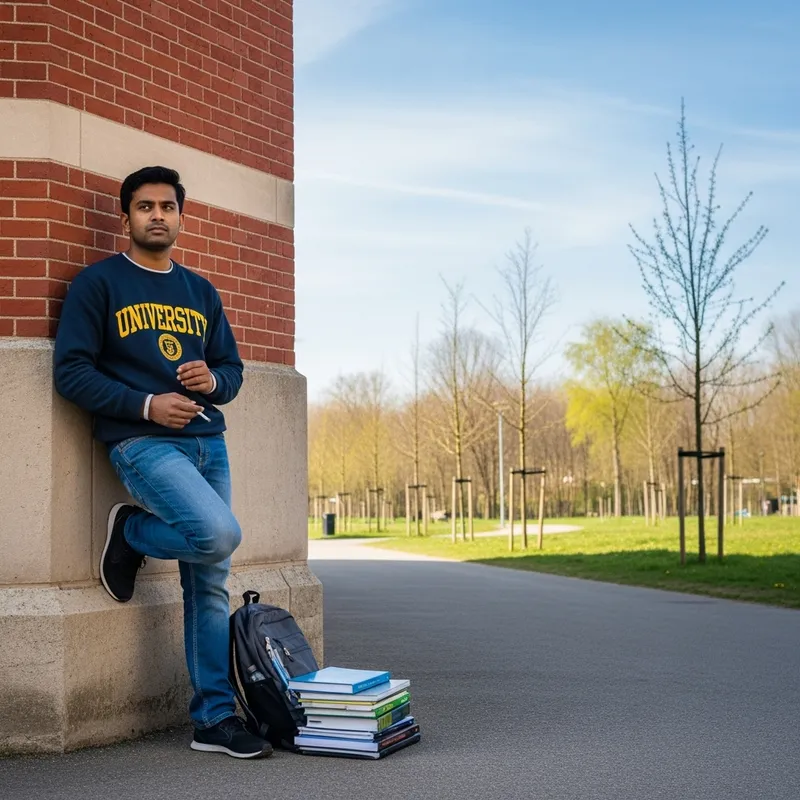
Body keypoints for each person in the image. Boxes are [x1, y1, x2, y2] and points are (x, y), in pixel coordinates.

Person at [54, 166, 273, 760]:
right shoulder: (97, 285)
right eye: (145, 206)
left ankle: (214, 719)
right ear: (125, 217)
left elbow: (232, 370)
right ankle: (133, 528)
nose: (157, 215)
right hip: (142, 442)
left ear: (181, 216)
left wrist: (214, 380)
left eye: (167, 206)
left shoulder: (200, 291)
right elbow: (70, 372)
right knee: (218, 535)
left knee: (210, 582)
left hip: (209, 442)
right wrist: (147, 404)